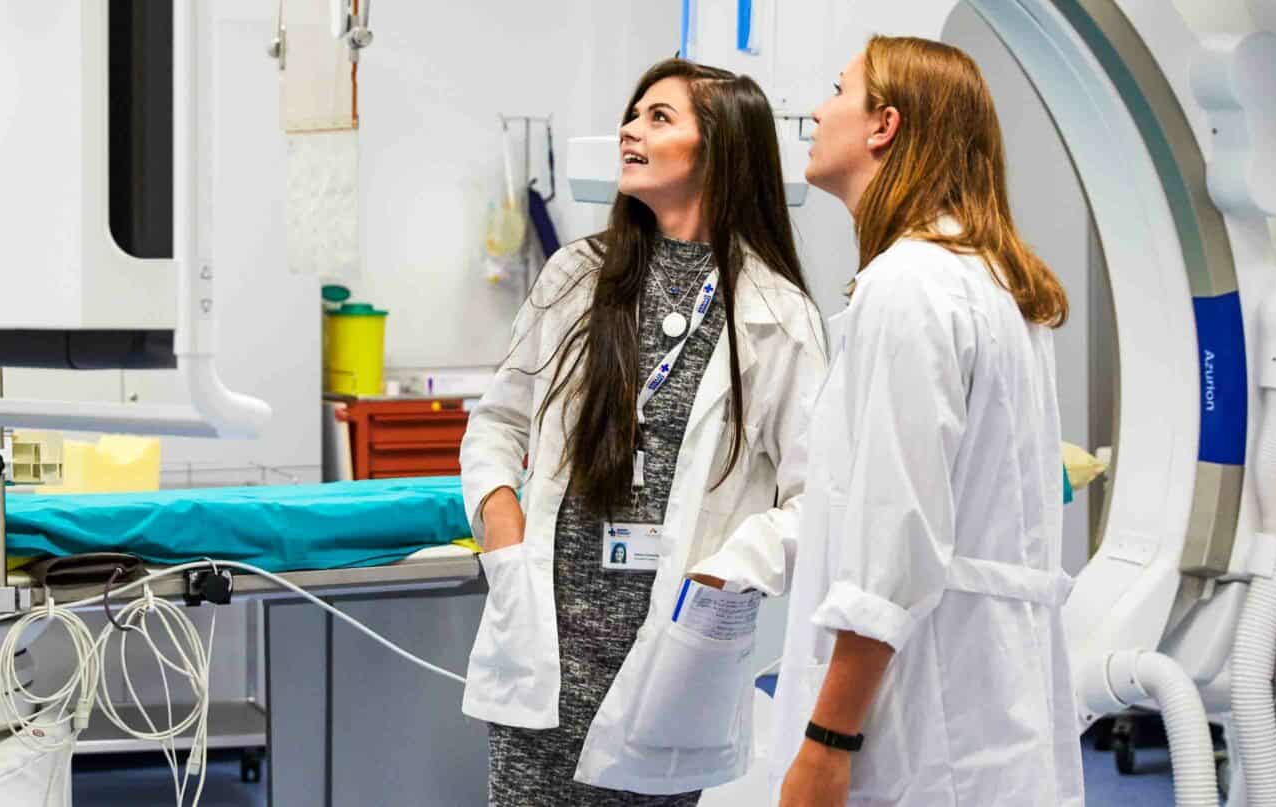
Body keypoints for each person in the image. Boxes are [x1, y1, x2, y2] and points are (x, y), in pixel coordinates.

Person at [458, 58, 826, 804]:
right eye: (635, 114)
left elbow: (820, 497)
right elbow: (496, 420)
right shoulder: (575, 277)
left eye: (660, 117)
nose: (630, 129)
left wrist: (728, 570)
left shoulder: (776, 315)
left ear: (719, 149)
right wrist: (502, 524)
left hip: (667, 668)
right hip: (545, 658)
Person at [770, 35, 1084, 806]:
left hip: (923, 721)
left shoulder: (909, 283)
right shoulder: (991, 282)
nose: (815, 111)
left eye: (837, 91)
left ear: (883, 125)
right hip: (992, 705)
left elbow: (894, 543)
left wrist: (827, 740)